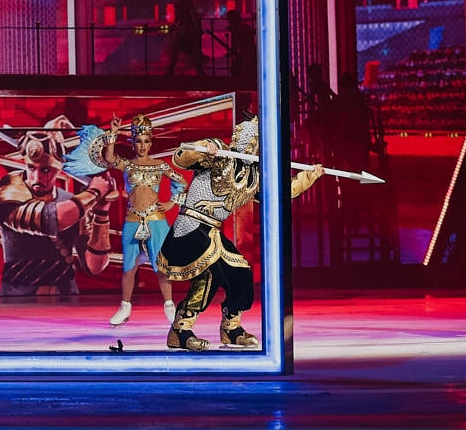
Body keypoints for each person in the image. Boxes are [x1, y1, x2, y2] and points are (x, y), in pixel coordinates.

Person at [158, 115, 322, 351]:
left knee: (241, 273)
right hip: (190, 225)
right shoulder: (219, 153)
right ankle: (180, 329)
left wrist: (311, 175)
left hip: (212, 230)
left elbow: (283, 192)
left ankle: (231, 328)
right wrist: (204, 148)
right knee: (210, 274)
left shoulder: (253, 177)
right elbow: (180, 158)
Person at [0, 122, 115, 297]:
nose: (36, 177)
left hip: (66, 297)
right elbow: (51, 219)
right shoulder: (8, 196)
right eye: (31, 168)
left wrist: (101, 214)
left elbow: (94, 266)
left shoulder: (72, 203)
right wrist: (94, 192)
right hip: (19, 298)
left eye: (45, 170)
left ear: (58, 170)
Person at [98, 114, 182, 327]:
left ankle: (170, 307)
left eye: (146, 141)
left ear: (151, 143)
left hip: (156, 221)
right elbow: (109, 158)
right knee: (129, 267)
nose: (142, 145)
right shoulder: (127, 165)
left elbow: (181, 182)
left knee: (162, 267)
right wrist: (113, 133)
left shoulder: (160, 166)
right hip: (133, 220)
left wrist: (172, 202)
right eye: (138, 141)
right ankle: (125, 307)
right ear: (133, 143)